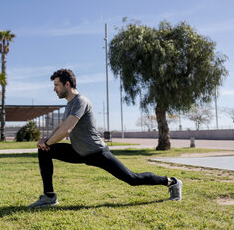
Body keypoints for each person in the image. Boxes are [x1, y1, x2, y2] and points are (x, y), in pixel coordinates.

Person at [28, 69, 182, 208]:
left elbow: (67, 129)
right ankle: (49, 196)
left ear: (66, 84)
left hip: (97, 152)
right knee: (44, 151)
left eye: (56, 85)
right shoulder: (69, 104)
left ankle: (172, 182)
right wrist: (45, 141)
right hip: (78, 151)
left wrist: (47, 141)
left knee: (132, 179)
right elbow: (61, 126)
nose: (54, 89)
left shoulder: (81, 101)